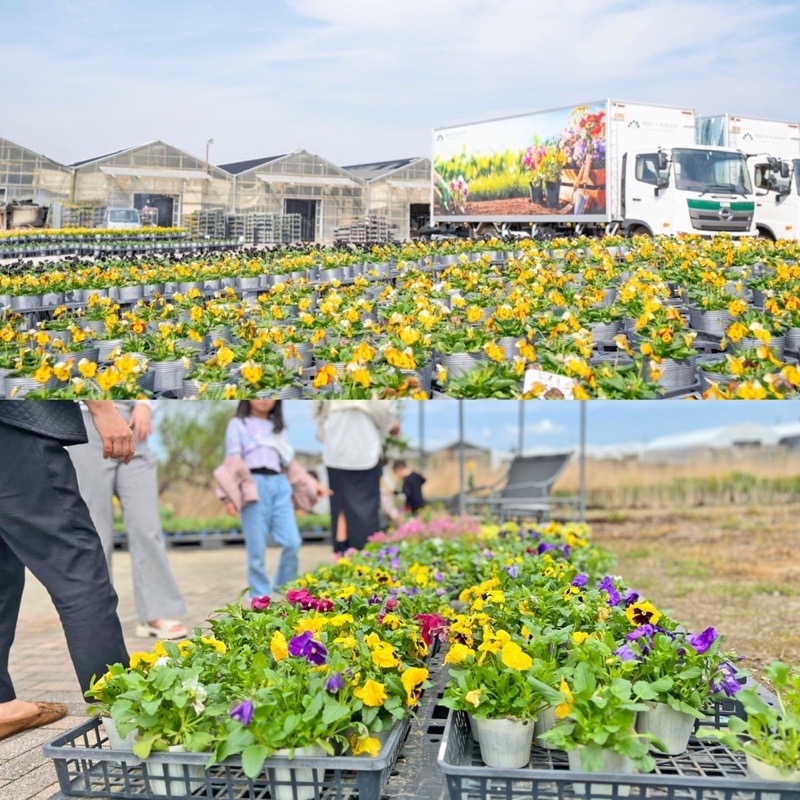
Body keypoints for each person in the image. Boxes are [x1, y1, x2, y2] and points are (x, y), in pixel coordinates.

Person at [0, 400, 133, 741]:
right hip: (12, 426)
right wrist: (102, 407)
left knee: (2, 574)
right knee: (77, 569)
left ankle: (2, 704)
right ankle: (129, 723)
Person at [67, 401, 188, 640]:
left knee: (147, 527)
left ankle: (156, 614)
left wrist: (145, 405)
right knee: (96, 531)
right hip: (86, 420)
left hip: (132, 422)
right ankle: (96, 617)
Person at [219, 400, 328, 599]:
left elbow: (291, 465)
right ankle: (259, 598)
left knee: (292, 541)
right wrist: (228, 497)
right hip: (252, 487)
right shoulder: (238, 424)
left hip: (279, 485)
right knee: (256, 551)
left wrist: (314, 485)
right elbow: (232, 461)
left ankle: (283, 586)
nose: (264, 398)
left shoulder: (279, 429)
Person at [312, 401, 400, 554]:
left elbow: (317, 410)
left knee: (340, 507)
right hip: (365, 452)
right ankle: (366, 558)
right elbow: (385, 416)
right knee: (367, 511)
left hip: (335, 452)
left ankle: (341, 556)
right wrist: (393, 424)